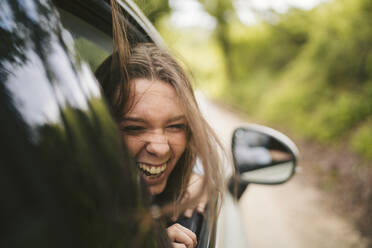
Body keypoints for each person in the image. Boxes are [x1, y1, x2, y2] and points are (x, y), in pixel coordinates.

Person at [95, 42, 224, 247]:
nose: (161, 148)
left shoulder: (185, 180)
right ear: (98, 127)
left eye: (175, 126)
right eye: (134, 128)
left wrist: (197, 177)